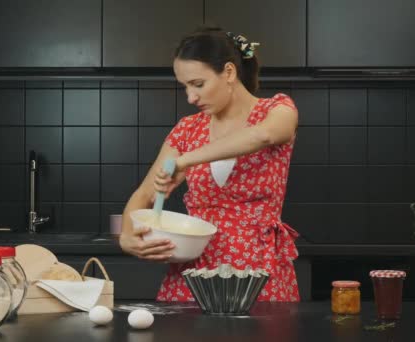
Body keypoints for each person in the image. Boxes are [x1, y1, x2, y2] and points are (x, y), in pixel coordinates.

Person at [119, 26, 300, 302]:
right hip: (193, 275)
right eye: (185, 87)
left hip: (258, 274)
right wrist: (126, 236)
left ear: (228, 72)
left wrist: (185, 161)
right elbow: (143, 195)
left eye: (198, 84)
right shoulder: (187, 130)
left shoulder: (276, 110)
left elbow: (263, 135)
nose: (191, 97)